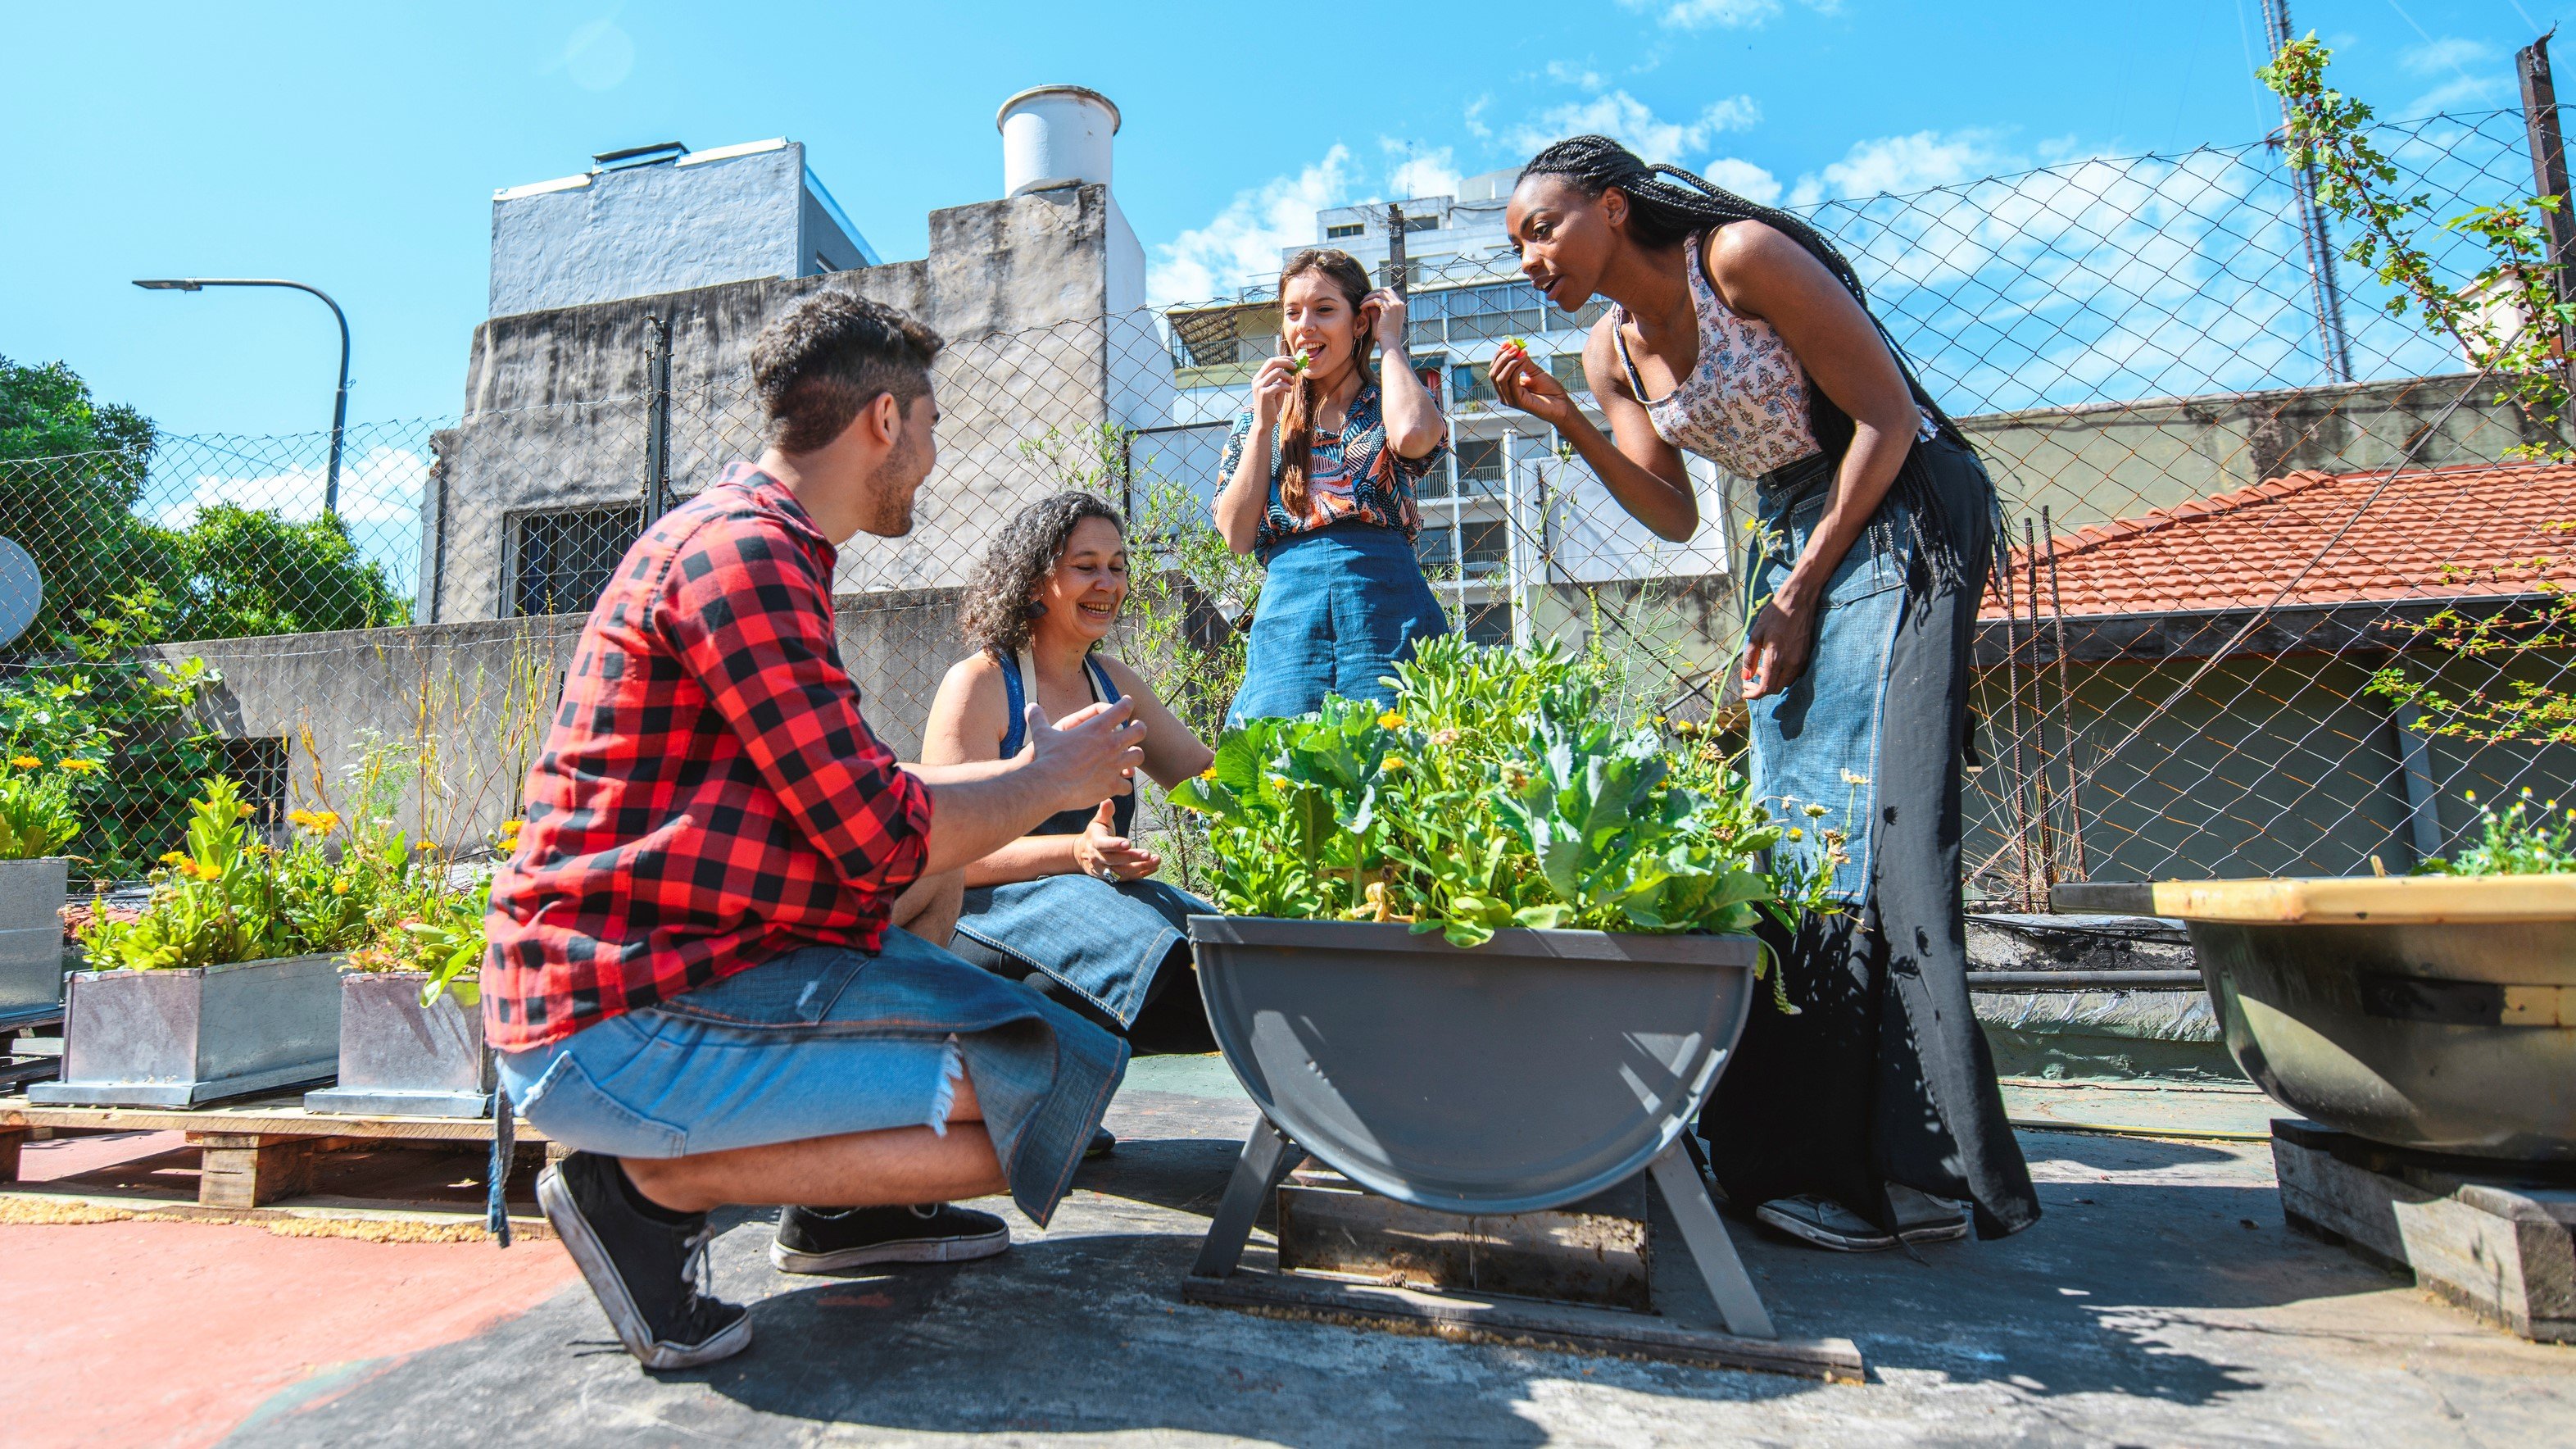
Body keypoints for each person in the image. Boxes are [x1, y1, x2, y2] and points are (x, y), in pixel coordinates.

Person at [483, 292, 1148, 1370]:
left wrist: (1009, 795)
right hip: (614, 1019)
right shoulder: (742, 557)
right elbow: (881, 835)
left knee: (955, 914)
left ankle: (848, 1215)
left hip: (677, 962)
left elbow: (867, 815)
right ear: (883, 420)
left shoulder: (756, 542)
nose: (930, 457)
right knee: (1051, 1078)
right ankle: (637, 1188)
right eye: (928, 427)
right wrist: (1046, 776)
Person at [1489, 135, 2041, 1252]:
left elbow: (1886, 416)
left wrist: (1798, 591)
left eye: (1542, 229)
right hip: (1788, 533)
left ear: (1608, 205)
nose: (1530, 259)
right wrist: (1569, 422)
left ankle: (1910, 1182)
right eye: (1516, 247)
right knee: (1793, 834)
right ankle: (1807, 1164)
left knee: (1867, 814)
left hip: (1901, 501)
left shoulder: (1738, 256)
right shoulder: (1611, 352)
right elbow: (1674, 514)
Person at [922, 491, 1220, 1057]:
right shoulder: (981, 685)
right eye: (1085, 568)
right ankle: (1035, 1082)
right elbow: (948, 852)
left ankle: (1067, 1080)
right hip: (983, 920)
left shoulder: (1116, 685)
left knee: (1225, 947)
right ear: (1035, 581)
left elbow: (1209, 782)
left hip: (1092, 901)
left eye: (1118, 567)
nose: (1107, 583)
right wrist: (1076, 852)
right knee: (1134, 938)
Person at [1215, 248, 1450, 723]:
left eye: (1325, 310)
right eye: (1292, 312)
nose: (1306, 326)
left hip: (1383, 600)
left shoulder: (1392, 401)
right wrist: (1262, 426)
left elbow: (1414, 437)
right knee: (1284, 757)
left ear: (1359, 321)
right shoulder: (1259, 419)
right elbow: (1237, 536)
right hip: (1289, 610)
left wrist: (1391, 344)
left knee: (1395, 752)